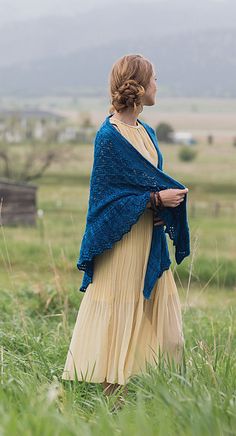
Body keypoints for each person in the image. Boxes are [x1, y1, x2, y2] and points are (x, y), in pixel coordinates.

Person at [61, 54, 189, 404]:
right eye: (155, 79)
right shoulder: (109, 136)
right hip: (121, 245)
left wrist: (163, 205)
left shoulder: (145, 131)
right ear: (139, 85)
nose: (158, 85)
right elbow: (107, 200)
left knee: (169, 332)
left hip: (148, 240)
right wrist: (154, 200)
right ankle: (113, 406)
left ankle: (160, 395)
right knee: (119, 318)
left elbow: (143, 183)